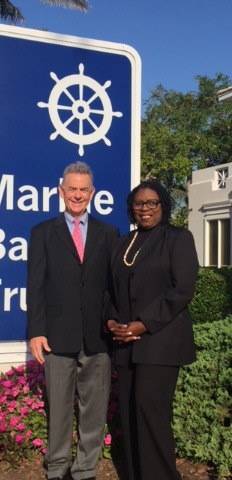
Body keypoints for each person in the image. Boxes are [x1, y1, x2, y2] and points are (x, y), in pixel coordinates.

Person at [27, 161, 119, 480]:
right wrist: (37, 331)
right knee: (59, 409)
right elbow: (35, 286)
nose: (77, 195)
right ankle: (57, 468)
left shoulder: (110, 234)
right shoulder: (42, 233)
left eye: (83, 190)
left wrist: (113, 323)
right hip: (56, 334)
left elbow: (113, 287)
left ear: (91, 193)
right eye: (72, 189)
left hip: (97, 337)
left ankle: (85, 470)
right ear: (61, 191)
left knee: (94, 410)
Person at [105, 180, 199, 480]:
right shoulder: (122, 243)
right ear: (131, 208)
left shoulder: (178, 238)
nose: (144, 209)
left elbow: (182, 290)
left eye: (152, 203)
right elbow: (109, 290)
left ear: (163, 206)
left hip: (160, 343)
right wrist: (110, 322)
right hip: (126, 345)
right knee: (130, 414)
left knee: (151, 414)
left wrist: (143, 324)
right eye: (139, 203)